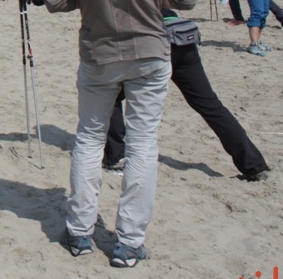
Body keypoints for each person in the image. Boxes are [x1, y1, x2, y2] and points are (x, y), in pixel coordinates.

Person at [15, 0, 197, 268]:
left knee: (90, 138)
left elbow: (57, 1)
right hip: (149, 50)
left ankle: (80, 231)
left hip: (98, 53)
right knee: (142, 143)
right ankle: (129, 241)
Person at [103, 11, 269, 182]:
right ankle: (254, 166)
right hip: (180, 38)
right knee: (210, 105)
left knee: (110, 97)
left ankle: (115, 158)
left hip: (150, 42)